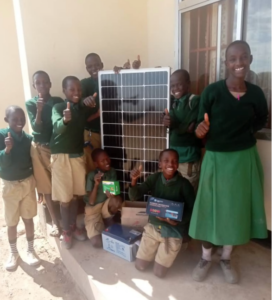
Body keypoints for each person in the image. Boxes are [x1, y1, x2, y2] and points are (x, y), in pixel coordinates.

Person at [189, 40, 268, 284]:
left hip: (244, 159)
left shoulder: (255, 94)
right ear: (225, 63)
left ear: (250, 60)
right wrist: (200, 131)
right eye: (233, 59)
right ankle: (205, 257)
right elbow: (197, 125)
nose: (238, 63)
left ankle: (225, 257)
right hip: (215, 159)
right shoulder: (212, 92)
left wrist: (244, 135)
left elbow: (261, 119)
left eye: (243, 57)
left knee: (236, 209)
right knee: (210, 208)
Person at [129, 149, 195, 278]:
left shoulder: (185, 185)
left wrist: (177, 221)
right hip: (154, 226)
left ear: (178, 164)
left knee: (159, 273)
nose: (170, 164)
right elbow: (134, 196)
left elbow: (192, 209)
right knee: (140, 266)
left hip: (172, 230)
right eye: (166, 161)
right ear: (160, 164)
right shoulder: (155, 178)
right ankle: (155, 248)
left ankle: (178, 244)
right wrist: (134, 180)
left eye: (174, 161)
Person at [50, 76, 96, 249]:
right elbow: (57, 127)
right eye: (72, 90)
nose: (76, 93)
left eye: (79, 90)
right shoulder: (59, 107)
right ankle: (66, 232)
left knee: (76, 194)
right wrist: (65, 120)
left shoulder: (81, 108)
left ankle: (74, 227)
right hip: (60, 157)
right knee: (64, 199)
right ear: (64, 91)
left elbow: (91, 106)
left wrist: (91, 100)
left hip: (77, 155)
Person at [0, 106, 41, 270]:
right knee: (11, 222)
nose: (19, 122)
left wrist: (39, 187)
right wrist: (7, 150)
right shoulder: (2, 136)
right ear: (6, 120)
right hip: (10, 185)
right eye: (14, 119)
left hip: (27, 183)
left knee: (28, 218)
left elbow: (34, 163)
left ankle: (31, 250)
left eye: (21, 118)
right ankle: (13, 252)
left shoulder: (28, 139)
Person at [25, 70, 63, 237]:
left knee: (62, 184)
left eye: (45, 82)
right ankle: (55, 222)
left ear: (50, 84)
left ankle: (66, 222)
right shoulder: (31, 103)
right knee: (46, 187)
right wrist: (39, 110)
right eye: (38, 83)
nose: (42, 85)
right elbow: (37, 128)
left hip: (56, 148)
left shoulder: (57, 101)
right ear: (34, 86)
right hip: (39, 148)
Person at [162, 69, 201, 191]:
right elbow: (185, 126)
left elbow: (190, 126)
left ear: (188, 84)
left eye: (179, 84)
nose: (175, 88)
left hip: (188, 159)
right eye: (172, 85)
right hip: (173, 160)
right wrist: (165, 121)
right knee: (174, 193)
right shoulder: (172, 102)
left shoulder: (194, 101)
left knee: (188, 194)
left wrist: (174, 125)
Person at [84, 148, 122, 248]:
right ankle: (85, 220)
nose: (107, 162)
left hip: (105, 205)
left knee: (117, 200)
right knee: (98, 243)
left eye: (107, 158)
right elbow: (91, 201)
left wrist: (113, 195)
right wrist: (96, 185)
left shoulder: (112, 171)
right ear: (96, 164)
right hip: (93, 210)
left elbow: (115, 194)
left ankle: (107, 220)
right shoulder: (91, 176)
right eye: (102, 161)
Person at [81, 53, 103, 173]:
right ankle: (93, 191)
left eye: (97, 65)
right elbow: (77, 103)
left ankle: (109, 192)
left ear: (102, 65)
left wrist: (122, 71)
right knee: (91, 165)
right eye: (90, 66)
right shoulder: (83, 84)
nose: (94, 68)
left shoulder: (111, 78)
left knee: (108, 163)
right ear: (86, 69)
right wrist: (84, 100)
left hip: (111, 133)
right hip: (91, 134)